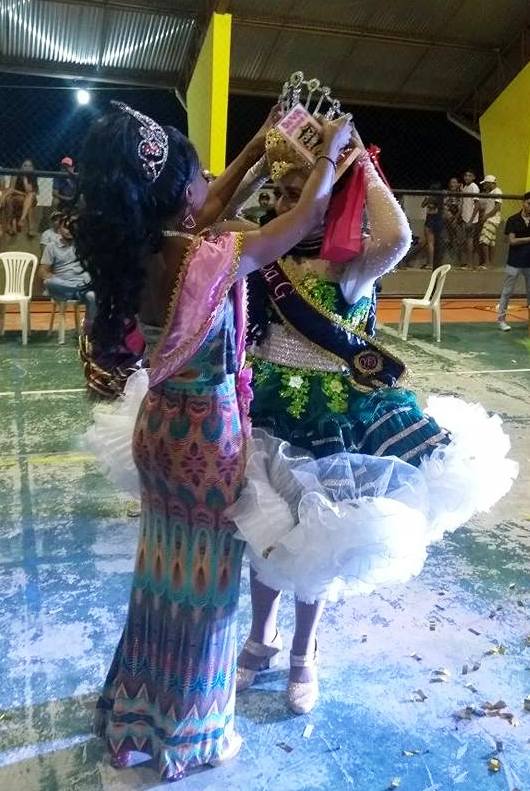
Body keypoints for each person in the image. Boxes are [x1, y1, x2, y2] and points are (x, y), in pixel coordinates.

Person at [76, 102, 352, 780]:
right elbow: (304, 220)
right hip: (207, 437)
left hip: (159, 432)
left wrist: (259, 147)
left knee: (160, 573)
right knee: (206, 586)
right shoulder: (210, 257)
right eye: (199, 173)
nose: (210, 182)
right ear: (180, 194)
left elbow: (209, 203)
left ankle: (137, 711)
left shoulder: (145, 246)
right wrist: (330, 151)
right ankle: (191, 729)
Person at [226, 109, 517, 717]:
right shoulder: (266, 254)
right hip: (268, 408)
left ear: (333, 199)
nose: (287, 202)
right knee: (263, 532)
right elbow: (218, 219)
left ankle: (303, 651)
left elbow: (399, 237)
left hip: (332, 417)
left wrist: (355, 157)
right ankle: (261, 635)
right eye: (282, 194)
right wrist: (258, 155)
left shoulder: (354, 266)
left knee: (318, 536)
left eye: (301, 192)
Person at [40, 214, 96, 324]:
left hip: (83, 285)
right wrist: (52, 277)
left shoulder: (84, 245)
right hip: (63, 287)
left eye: (73, 227)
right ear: (59, 229)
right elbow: (42, 271)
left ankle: (89, 327)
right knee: (48, 282)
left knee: (93, 296)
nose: (69, 230)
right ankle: (79, 288)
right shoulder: (51, 247)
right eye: (66, 227)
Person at [497, 192, 530, 331]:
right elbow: (512, 241)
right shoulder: (513, 220)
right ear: (523, 203)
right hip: (514, 262)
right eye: (529, 203)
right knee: (507, 292)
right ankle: (501, 320)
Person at [5, 159, 39, 236]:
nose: (27, 167)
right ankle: (11, 225)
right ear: (21, 167)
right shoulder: (15, 174)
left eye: (30, 166)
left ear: (33, 168)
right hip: (18, 197)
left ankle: (22, 219)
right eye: (25, 165)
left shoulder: (33, 176)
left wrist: (25, 179)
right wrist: (22, 193)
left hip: (30, 198)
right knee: (10, 199)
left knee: (30, 196)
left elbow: (30, 191)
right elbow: (11, 189)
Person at [478, 175, 502, 269]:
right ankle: (491, 263)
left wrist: (486, 216)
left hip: (492, 219)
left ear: (490, 183)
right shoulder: (492, 192)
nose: (484, 185)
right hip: (491, 219)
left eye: (485, 183)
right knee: (491, 242)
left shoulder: (497, 191)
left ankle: (487, 263)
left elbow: (497, 207)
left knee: (484, 240)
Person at [421, 184, 444, 269]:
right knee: (435, 243)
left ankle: (430, 264)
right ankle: (434, 263)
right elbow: (423, 205)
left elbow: (423, 205)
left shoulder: (432, 198)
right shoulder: (441, 198)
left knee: (430, 243)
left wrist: (428, 198)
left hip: (431, 220)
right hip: (438, 220)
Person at [461, 169, 480, 269]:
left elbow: (477, 204)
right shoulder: (465, 187)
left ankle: (470, 264)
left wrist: (471, 220)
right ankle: (468, 263)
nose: (467, 177)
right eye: (465, 175)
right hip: (465, 218)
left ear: (473, 177)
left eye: (469, 175)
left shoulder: (474, 187)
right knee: (467, 241)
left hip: (471, 219)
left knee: (470, 241)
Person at [444, 176, 463, 265]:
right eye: (452, 182)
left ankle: (460, 260)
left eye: (455, 182)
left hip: (458, 219)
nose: (453, 184)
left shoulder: (460, 194)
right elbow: (444, 206)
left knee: (459, 240)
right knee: (448, 238)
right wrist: (450, 217)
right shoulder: (447, 194)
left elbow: (461, 207)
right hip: (448, 219)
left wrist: (455, 218)